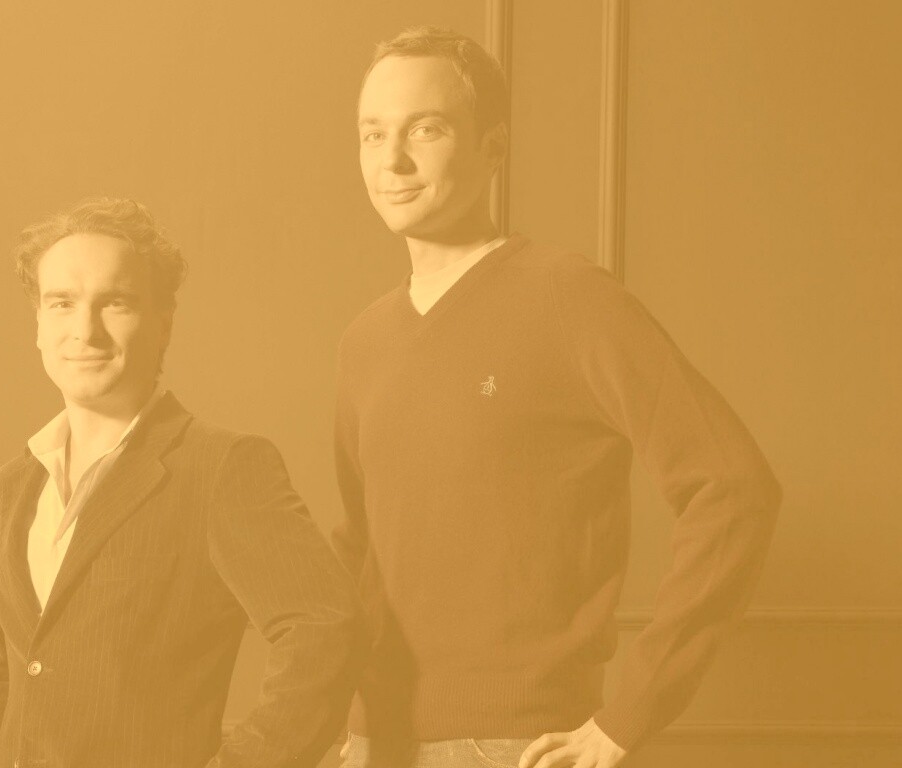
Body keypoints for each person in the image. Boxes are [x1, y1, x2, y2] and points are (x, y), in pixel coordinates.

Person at [334, 26, 782, 768]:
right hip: (370, 744)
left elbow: (733, 489)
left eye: (426, 129)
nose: (393, 160)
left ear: (494, 149)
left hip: (509, 746)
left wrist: (630, 715)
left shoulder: (570, 299)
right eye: (372, 134)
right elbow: (363, 551)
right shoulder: (364, 341)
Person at [0, 197, 362, 768]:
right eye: (62, 303)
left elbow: (325, 629)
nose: (84, 330)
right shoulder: (15, 484)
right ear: (37, 323)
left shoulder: (222, 468)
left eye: (114, 302)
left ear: (163, 323)